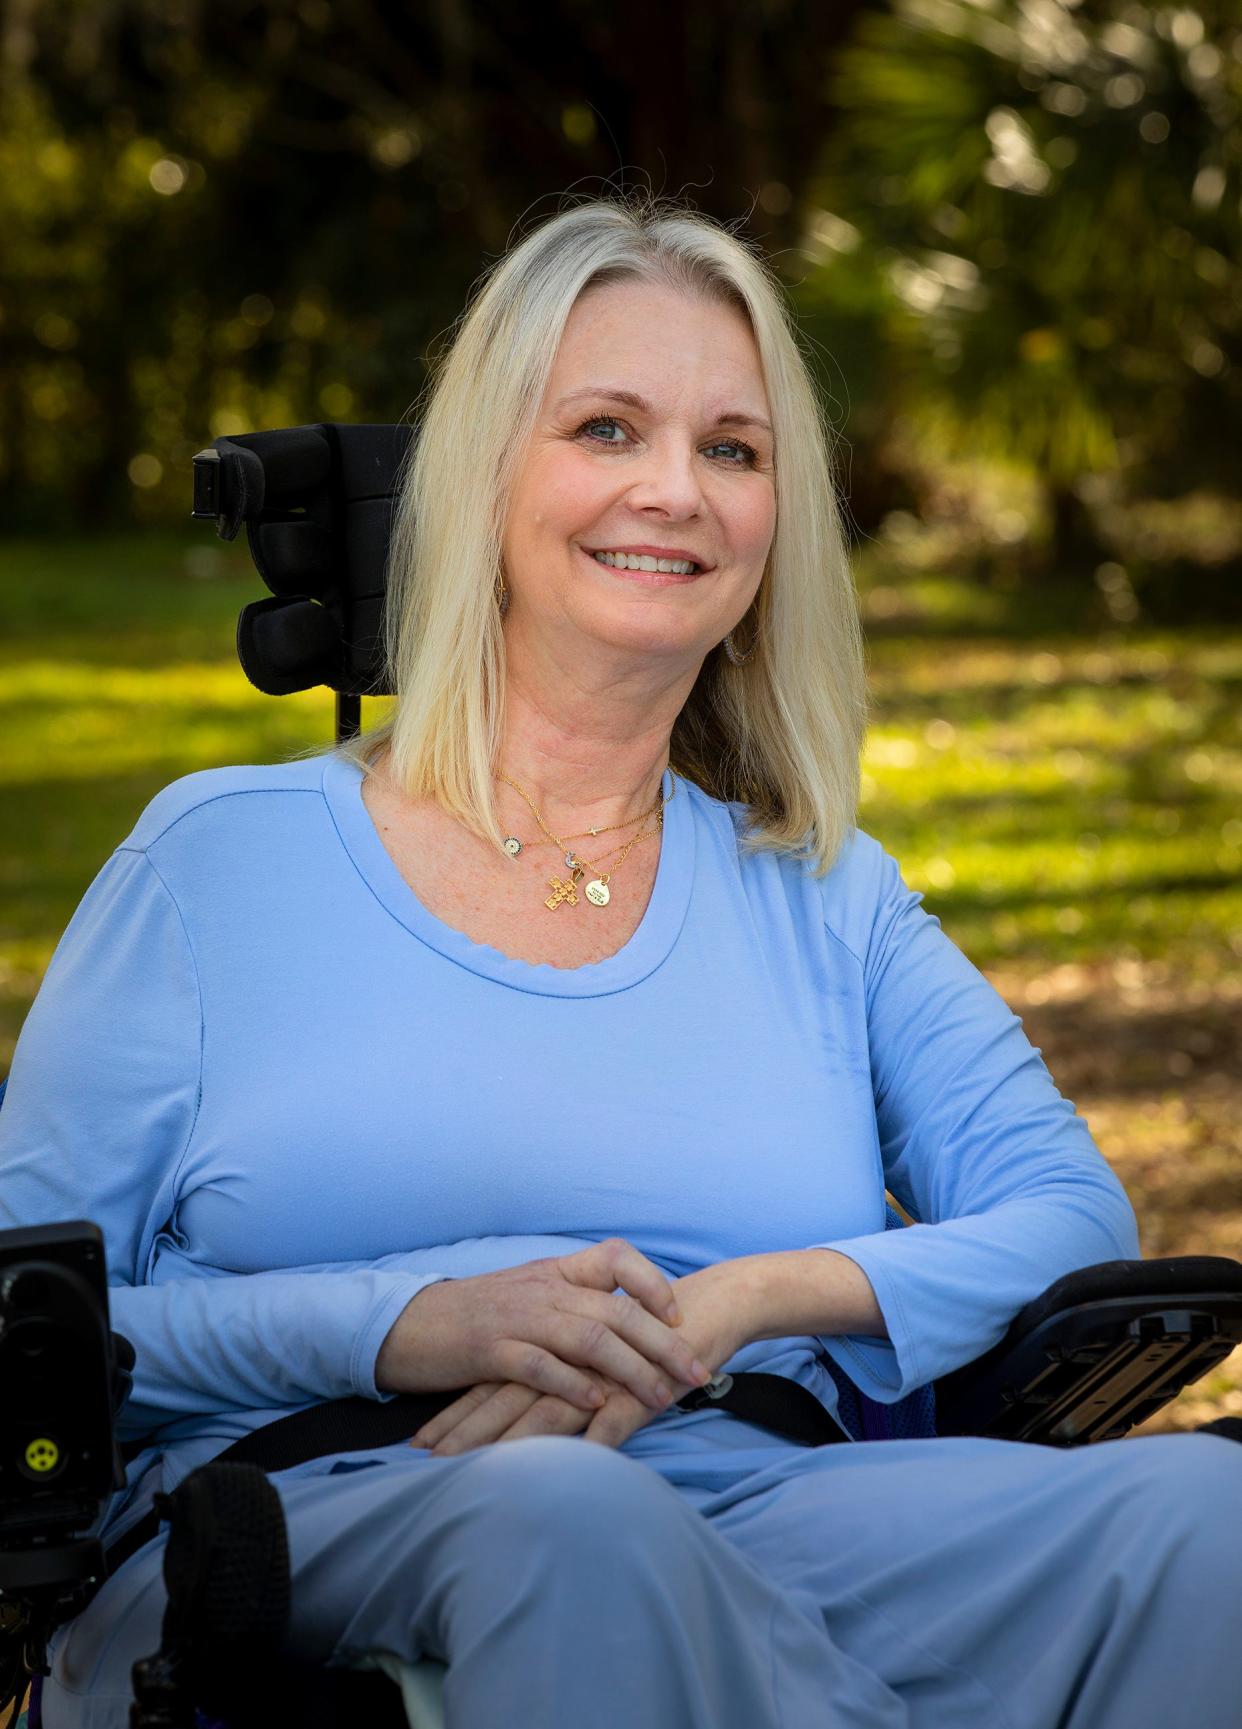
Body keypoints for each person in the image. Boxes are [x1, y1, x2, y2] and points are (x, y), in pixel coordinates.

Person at [2, 193, 1239, 1729]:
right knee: (576, 1523)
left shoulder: (821, 895)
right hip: (316, 1509)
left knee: (1203, 1524)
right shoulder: (214, 864)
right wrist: (403, 1319)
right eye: (604, 427)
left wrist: (724, 1309)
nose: (675, 491)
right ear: (482, 478)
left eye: (732, 448)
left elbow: (1070, 1219)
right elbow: (27, 1329)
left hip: (759, 1503)